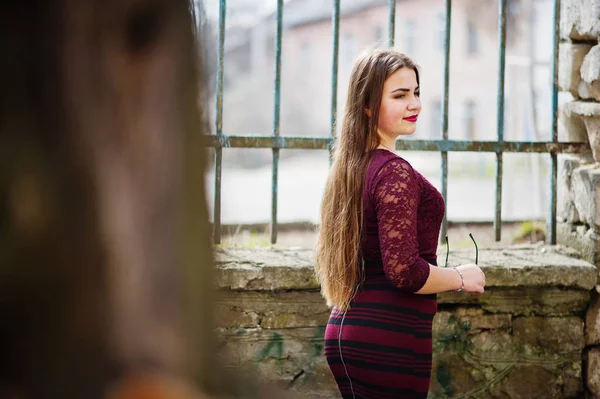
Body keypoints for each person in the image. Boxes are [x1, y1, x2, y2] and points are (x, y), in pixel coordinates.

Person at [314, 49, 486, 399]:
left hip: (350, 333)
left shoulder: (352, 166)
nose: (415, 104)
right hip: (388, 338)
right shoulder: (393, 171)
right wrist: (461, 276)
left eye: (416, 92)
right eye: (400, 95)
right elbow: (404, 270)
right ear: (367, 106)